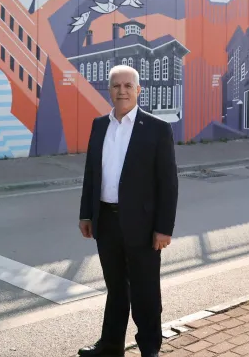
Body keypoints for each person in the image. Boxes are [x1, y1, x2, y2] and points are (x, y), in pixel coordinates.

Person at [77, 64, 179, 357]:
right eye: (116, 86)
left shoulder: (157, 129)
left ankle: (149, 348)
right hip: (106, 220)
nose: (122, 91)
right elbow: (91, 173)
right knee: (116, 289)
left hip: (143, 225)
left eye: (127, 86)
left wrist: (163, 228)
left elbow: (168, 183)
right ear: (109, 90)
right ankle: (110, 346)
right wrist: (86, 214)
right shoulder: (100, 125)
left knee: (145, 291)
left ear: (138, 90)